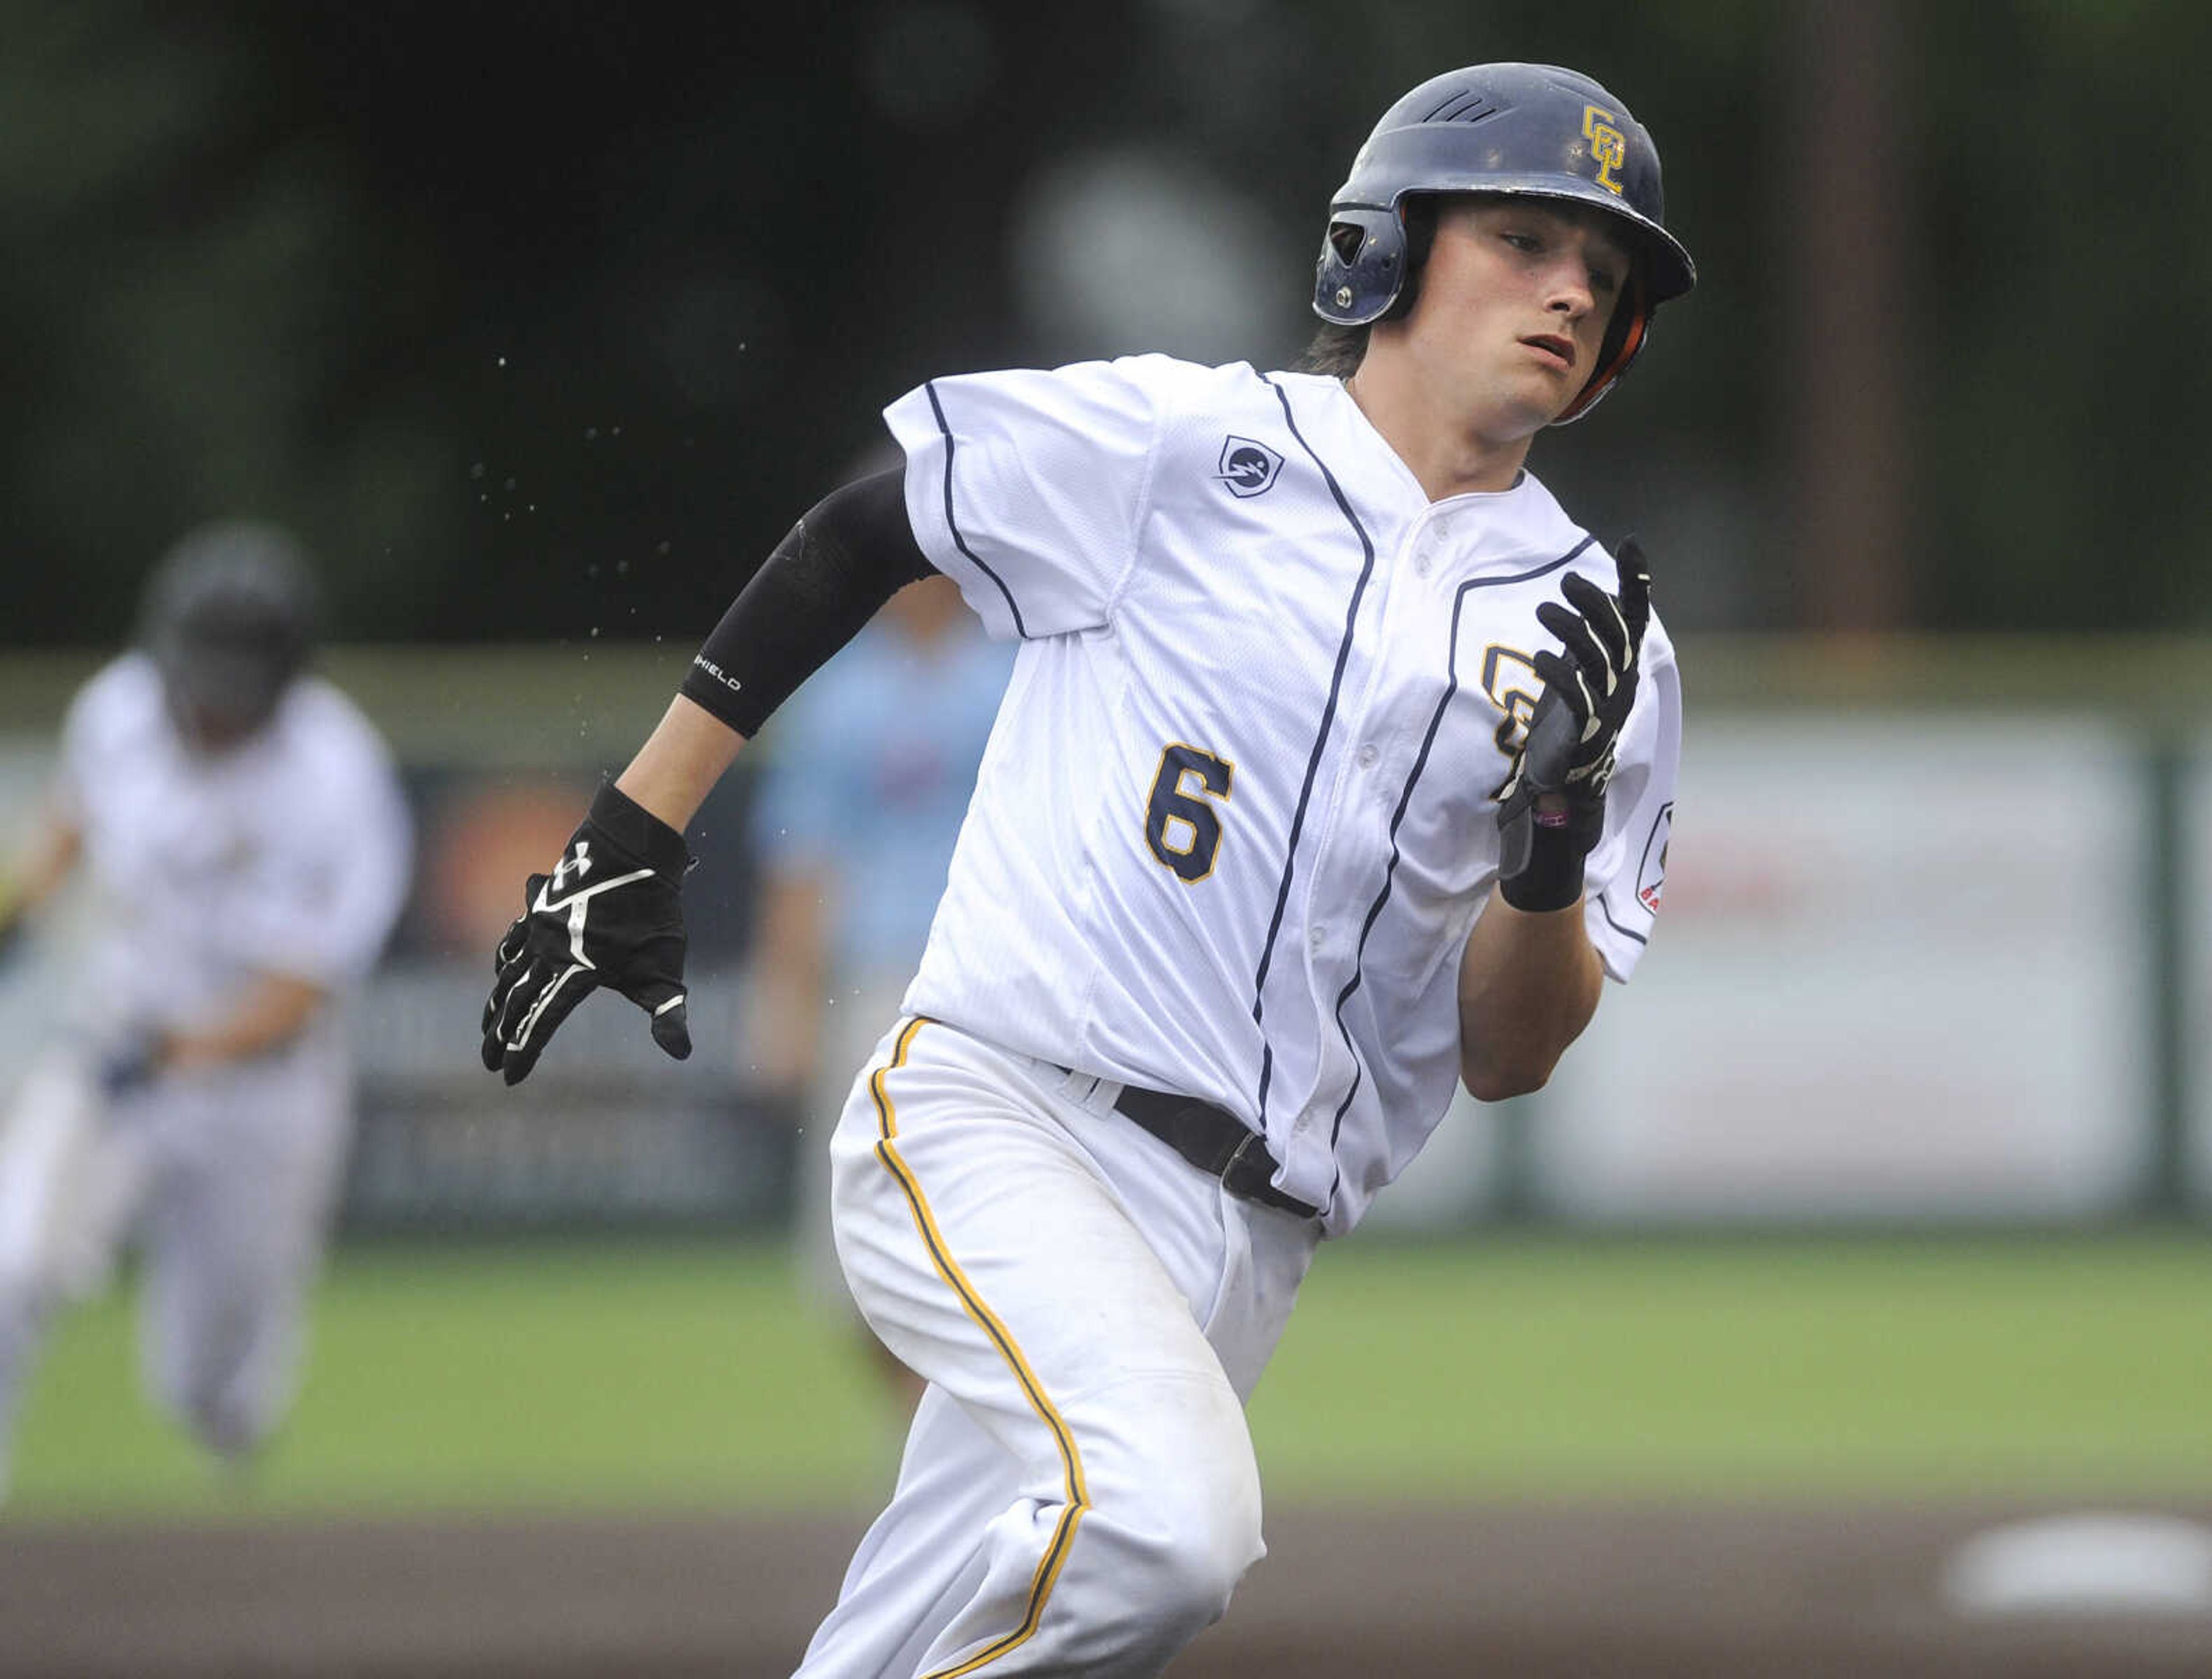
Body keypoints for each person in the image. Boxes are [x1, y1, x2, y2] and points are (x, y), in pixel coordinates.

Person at [482, 61, 1690, 1676]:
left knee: (914, 1632)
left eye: (1601, 278)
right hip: (1007, 1113)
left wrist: (1550, 844)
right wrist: (632, 830)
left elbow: (1512, 1049)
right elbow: (869, 529)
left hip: (1253, 1234)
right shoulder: (1185, 443)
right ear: (1386, 246)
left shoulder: (1603, 639)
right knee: (1168, 1531)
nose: (1567, 291)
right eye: (1529, 237)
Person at [0, 521, 412, 1499]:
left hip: (260, 1093)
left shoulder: (335, 773)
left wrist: (180, 1049)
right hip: (116, 1039)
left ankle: (228, 1444)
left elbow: (301, 993)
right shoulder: (121, 711)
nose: (210, 705)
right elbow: (69, 825)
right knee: (13, 1263)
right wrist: (19, 909)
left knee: (203, 1381)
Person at [747, 570, 1011, 1415]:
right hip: (874, 982)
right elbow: (803, 863)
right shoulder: (842, 694)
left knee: (999, 1232)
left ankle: (983, 1443)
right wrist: (784, 1005)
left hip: (1002, 981)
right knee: (852, 1249)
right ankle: (932, 1430)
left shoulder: (1017, 670)